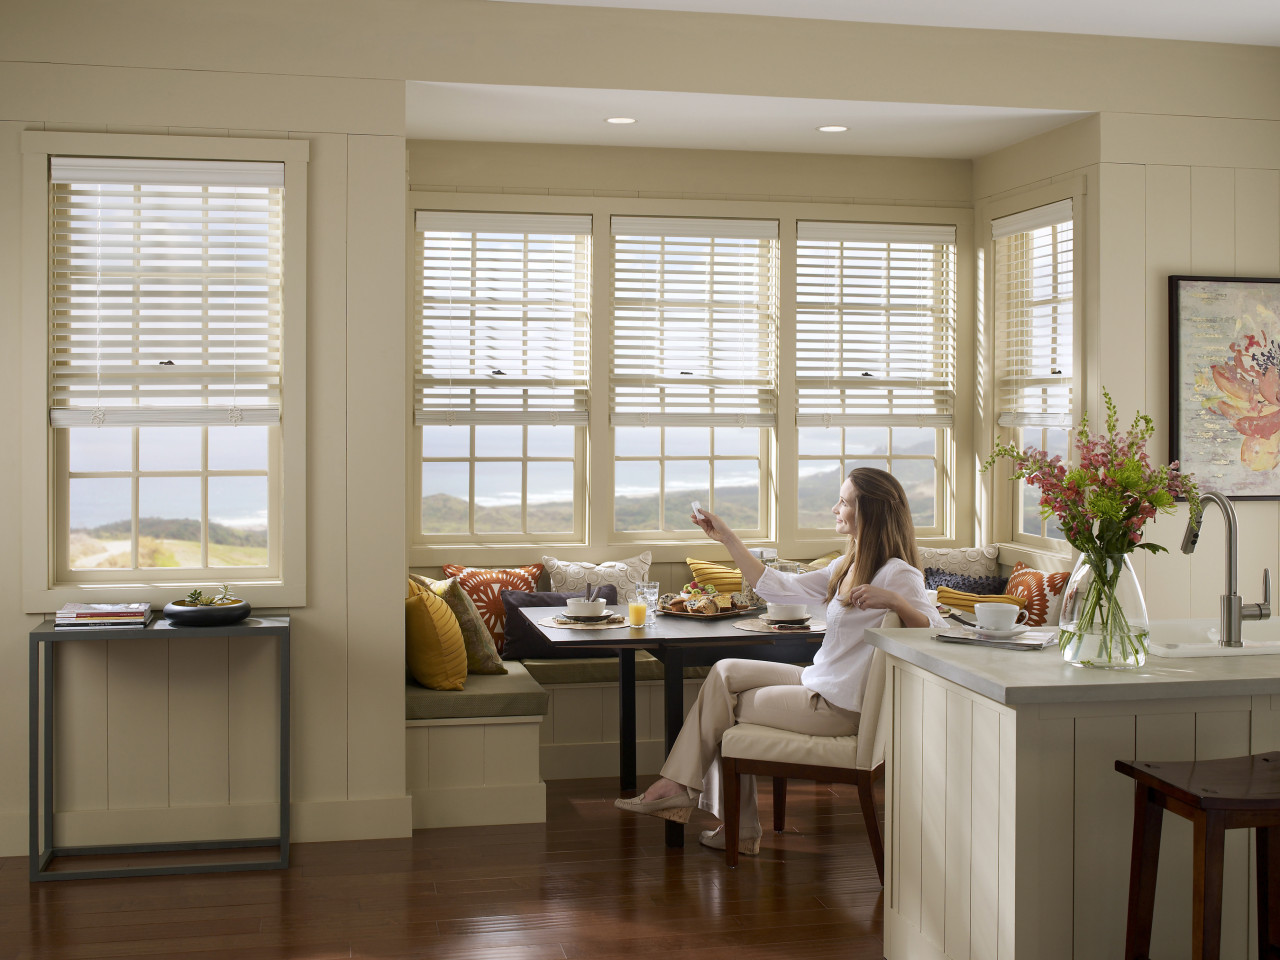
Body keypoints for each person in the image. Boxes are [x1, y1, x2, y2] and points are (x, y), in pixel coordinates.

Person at [614, 466, 945, 853]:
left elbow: (935, 631)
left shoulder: (897, 575)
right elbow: (778, 587)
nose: (834, 508)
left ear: (869, 511)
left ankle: (691, 798)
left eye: (843, 501)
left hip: (838, 707)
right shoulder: (848, 565)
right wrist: (727, 539)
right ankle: (691, 796)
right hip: (820, 683)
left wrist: (897, 602)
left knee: (724, 706)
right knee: (724, 672)